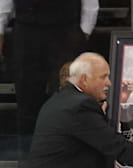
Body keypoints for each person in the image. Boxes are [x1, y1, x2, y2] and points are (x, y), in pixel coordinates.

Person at [0, 0, 99, 155]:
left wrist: (83, 32)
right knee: (27, 101)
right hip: (26, 31)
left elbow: (90, 3)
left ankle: (65, 161)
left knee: (66, 99)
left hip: (65, 32)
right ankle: (29, 162)